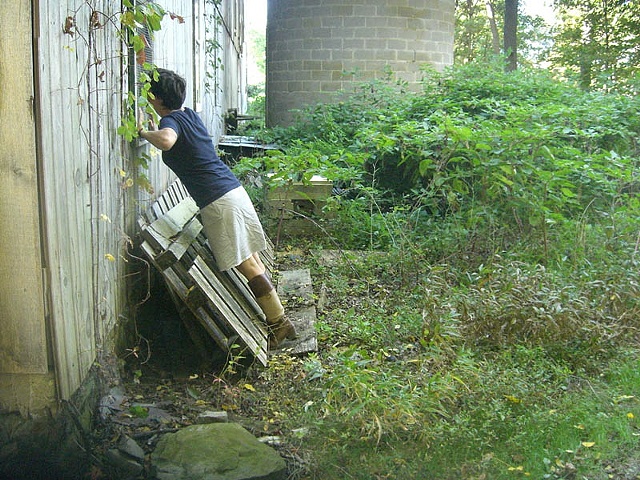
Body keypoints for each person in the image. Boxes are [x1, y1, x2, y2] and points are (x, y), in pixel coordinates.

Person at [137, 68, 296, 348]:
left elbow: (166, 140)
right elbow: (175, 135)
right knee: (252, 260)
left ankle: (279, 323)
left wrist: (142, 131)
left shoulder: (172, 122)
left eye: (149, 93)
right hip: (232, 190)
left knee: (247, 264)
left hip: (218, 200)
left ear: (157, 98)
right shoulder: (187, 116)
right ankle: (278, 319)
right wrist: (154, 123)